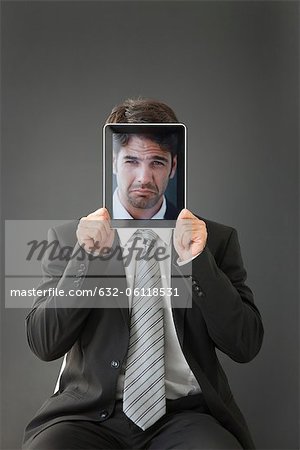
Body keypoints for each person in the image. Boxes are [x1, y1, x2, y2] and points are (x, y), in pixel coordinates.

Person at [22, 98, 264, 450]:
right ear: (114, 163)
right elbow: (45, 343)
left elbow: (245, 344)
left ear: (173, 166)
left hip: (186, 414)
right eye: (132, 160)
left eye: (157, 162)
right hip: (89, 415)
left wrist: (197, 261)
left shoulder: (215, 240)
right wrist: (86, 259)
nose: (144, 177)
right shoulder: (69, 238)